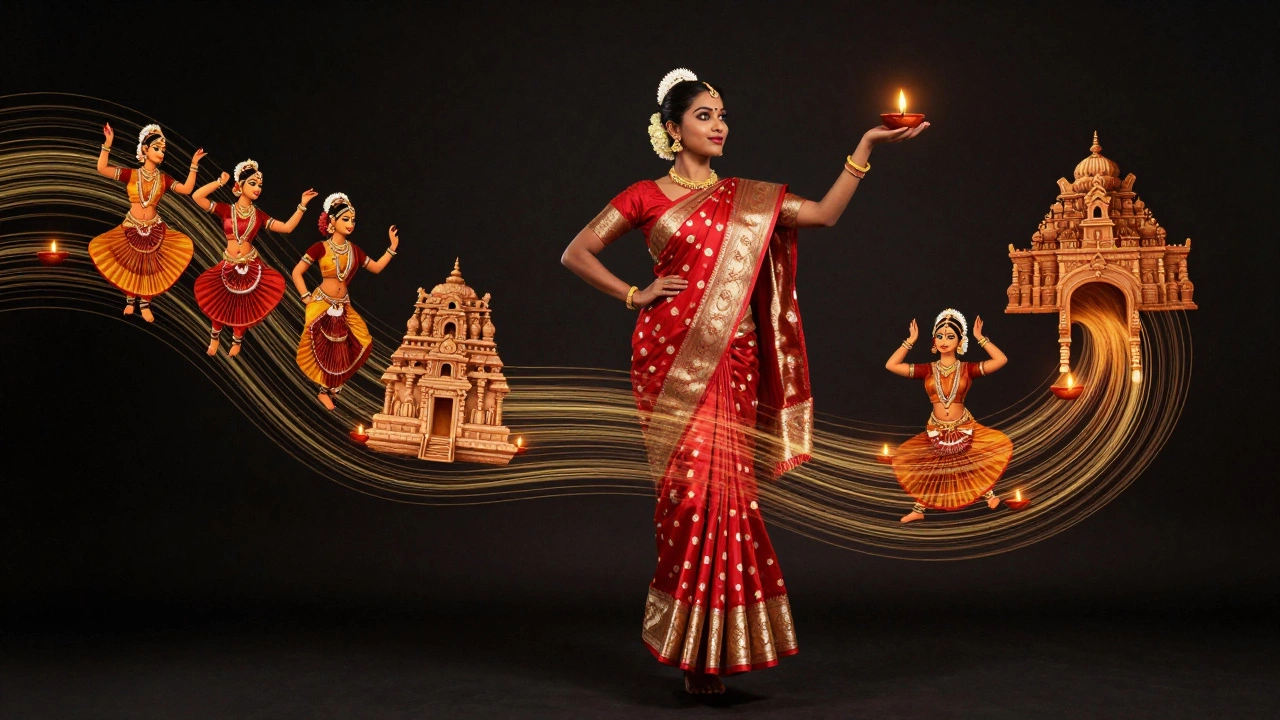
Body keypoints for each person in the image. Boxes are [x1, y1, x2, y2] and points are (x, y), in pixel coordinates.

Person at [560, 67, 927, 694]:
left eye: (723, 114)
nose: (720, 124)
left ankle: (715, 659)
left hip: (733, 361)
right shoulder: (643, 196)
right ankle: (690, 649)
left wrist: (864, 148)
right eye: (704, 115)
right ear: (673, 130)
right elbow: (576, 252)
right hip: (669, 357)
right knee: (688, 499)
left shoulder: (747, 199)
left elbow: (825, 216)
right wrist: (634, 294)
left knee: (728, 498)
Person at [884, 309, 1012, 523]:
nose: (944, 341)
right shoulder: (927, 369)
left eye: (951, 336)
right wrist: (910, 341)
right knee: (932, 470)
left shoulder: (967, 369)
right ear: (934, 340)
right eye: (940, 336)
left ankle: (989, 495)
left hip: (962, 425)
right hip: (937, 427)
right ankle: (918, 509)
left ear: (960, 341)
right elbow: (891, 365)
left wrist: (981, 339)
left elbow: (1001, 359)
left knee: (969, 463)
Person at [191, 159, 318, 356]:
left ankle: (237, 340)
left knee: (243, 306)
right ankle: (214, 337)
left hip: (250, 265)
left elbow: (287, 227)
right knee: (221, 301)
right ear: (239, 185)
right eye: (252, 183)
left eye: (260, 185)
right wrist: (218, 182)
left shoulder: (258, 215)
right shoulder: (226, 210)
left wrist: (302, 205)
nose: (258, 188)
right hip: (229, 263)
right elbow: (197, 196)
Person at [290, 192, 399, 410]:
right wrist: (305, 297)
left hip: (343, 305)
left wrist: (391, 248)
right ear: (332, 221)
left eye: (353, 220)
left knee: (358, 342)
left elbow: (376, 267)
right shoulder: (320, 247)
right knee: (323, 349)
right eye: (345, 219)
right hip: (321, 303)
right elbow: (296, 272)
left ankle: (333, 390)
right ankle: (324, 390)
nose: (350, 224)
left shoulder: (354, 250)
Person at [89, 123, 203, 322]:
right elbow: (102, 168)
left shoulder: (164, 179)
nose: (161, 154)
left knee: (149, 267)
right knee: (129, 264)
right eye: (156, 149)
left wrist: (194, 165)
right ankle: (129, 299)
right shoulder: (131, 174)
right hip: (131, 225)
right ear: (145, 149)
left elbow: (186, 189)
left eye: (163, 150)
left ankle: (145, 304)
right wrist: (107, 144)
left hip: (154, 227)